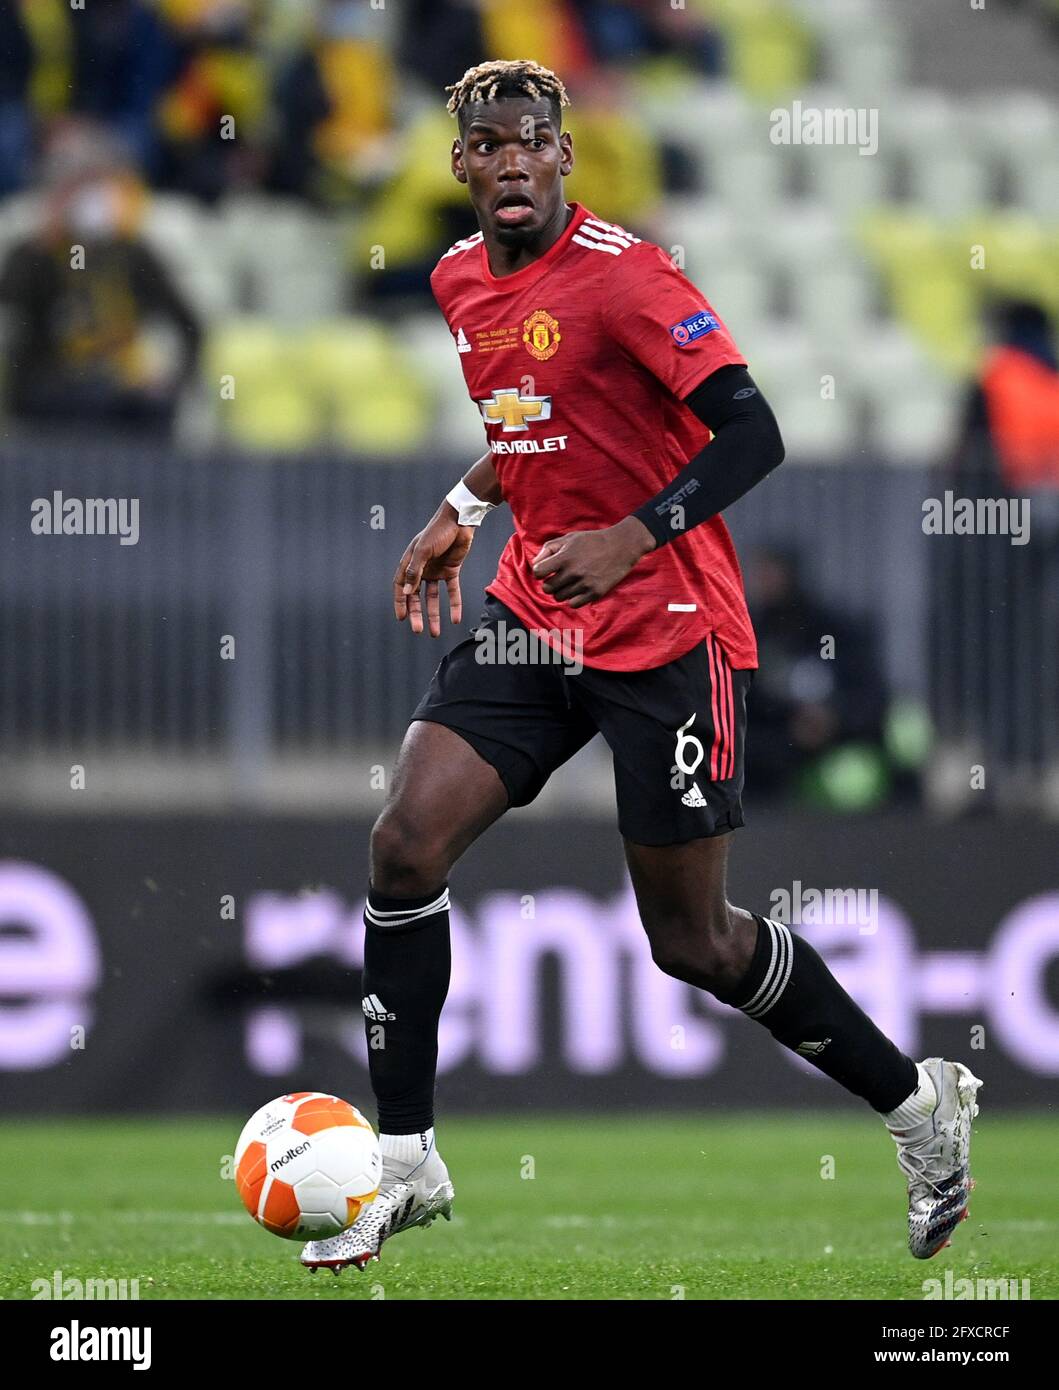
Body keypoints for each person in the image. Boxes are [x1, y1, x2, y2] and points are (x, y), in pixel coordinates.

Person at [300, 59, 981, 1274]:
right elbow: (533, 420)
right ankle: (406, 1158)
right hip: (535, 607)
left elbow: (754, 428)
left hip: (666, 625)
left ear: (566, 157)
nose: (512, 160)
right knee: (404, 845)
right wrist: (461, 499)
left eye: (533, 142)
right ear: (459, 166)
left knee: (694, 942)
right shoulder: (461, 280)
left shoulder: (628, 276)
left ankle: (920, 1105)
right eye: (489, 143)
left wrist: (633, 534)